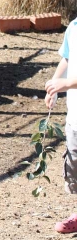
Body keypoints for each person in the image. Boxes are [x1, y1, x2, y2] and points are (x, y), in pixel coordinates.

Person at [45, 18, 77, 234]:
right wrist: (55, 85)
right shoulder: (73, 27)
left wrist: (66, 84)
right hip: (75, 116)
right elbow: (67, 57)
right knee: (74, 163)